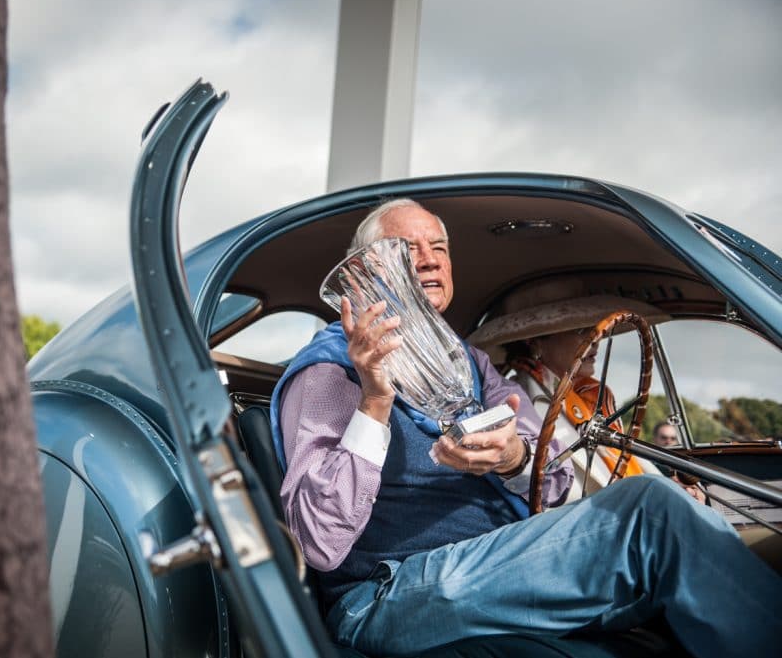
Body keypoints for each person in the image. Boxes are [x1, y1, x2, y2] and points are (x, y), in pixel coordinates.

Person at [271, 198, 781, 658]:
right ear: (366, 275)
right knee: (652, 512)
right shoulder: (329, 372)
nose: (429, 259)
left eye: (440, 248)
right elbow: (316, 543)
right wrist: (375, 401)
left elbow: (551, 476)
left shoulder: (470, 364)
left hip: (498, 565)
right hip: (386, 593)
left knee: (678, 557)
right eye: (407, 249)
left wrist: (513, 456)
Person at [468, 290, 668, 502]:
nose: (596, 340)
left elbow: (626, 456)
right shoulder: (518, 402)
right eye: (582, 330)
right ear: (535, 342)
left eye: (595, 328)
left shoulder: (591, 395)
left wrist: (670, 488)